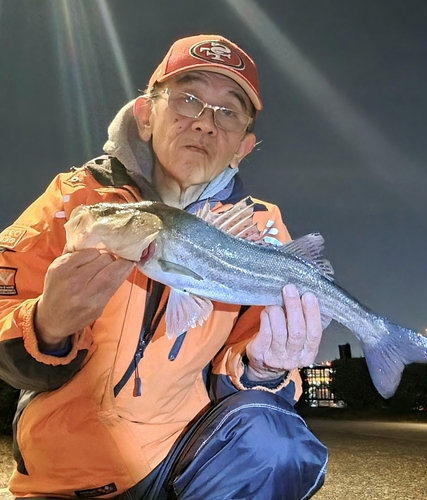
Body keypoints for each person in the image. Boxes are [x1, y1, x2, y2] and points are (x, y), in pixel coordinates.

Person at [0, 34, 328, 499]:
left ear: (243, 146)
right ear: (146, 115)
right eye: (188, 100)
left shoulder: (260, 227)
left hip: (188, 462)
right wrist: (46, 325)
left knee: (277, 445)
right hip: (70, 472)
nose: (205, 124)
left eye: (228, 112)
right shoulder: (75, 203)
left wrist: (266, 370)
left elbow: (255, 363)